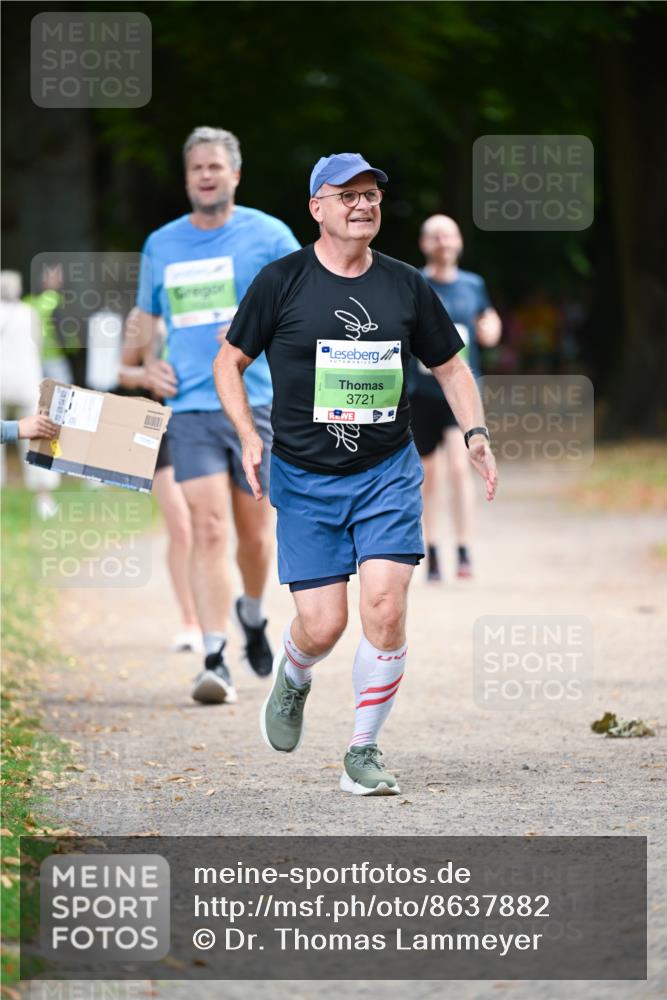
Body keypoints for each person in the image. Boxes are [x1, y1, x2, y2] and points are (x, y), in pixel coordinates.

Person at [214, 153, 497, 796]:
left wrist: (476, 434)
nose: (363, 204)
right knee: (323, 624)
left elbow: (451, 367)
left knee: (385, 608)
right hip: (305, 478)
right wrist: (248, 436)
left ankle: (362, 750)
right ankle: (294, 673)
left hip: (385, 473)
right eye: (347, 196)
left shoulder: (404, 285)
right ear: (317, 208)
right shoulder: (280, 282)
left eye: (371, 194)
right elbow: (228, 363)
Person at [135, 127, 300, 705]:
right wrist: (146, 366)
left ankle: (251, 614)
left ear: (235, 175)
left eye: (215, 167)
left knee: (256, 537)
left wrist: (262, 331)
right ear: (187, 179)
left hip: (255, 406)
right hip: (192, 410)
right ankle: (214, 657)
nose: (206, 175)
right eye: (196, 168)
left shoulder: (269, 236)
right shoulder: (162, 244)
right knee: (206, 528)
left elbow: (304, 308)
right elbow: (147, 321)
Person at [408, 215, 501, 582]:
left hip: (460, 395)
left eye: (448, 234)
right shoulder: (415, 282)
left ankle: (463, 549)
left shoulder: (473, 285)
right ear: (424, 244)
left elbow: (489, 322)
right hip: (422, 392)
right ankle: (431, 550)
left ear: (459, 241)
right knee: (428, 476)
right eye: (435, 236)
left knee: (461, 468)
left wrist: (491, 328)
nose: (443, 242)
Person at [118, 307, 202, 653]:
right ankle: (189, 620)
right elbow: (123, 372)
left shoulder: (207, 304)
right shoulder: (142, 316)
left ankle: (216, 612)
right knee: (181, 526)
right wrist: (146, 377)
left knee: (206, 526)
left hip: (202, 425)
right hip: (160, 428)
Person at [1, 270, 61, 518]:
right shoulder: (29, 313)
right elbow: (39, 342)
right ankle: (44, 495)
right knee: (38, 435)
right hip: (27, 380)